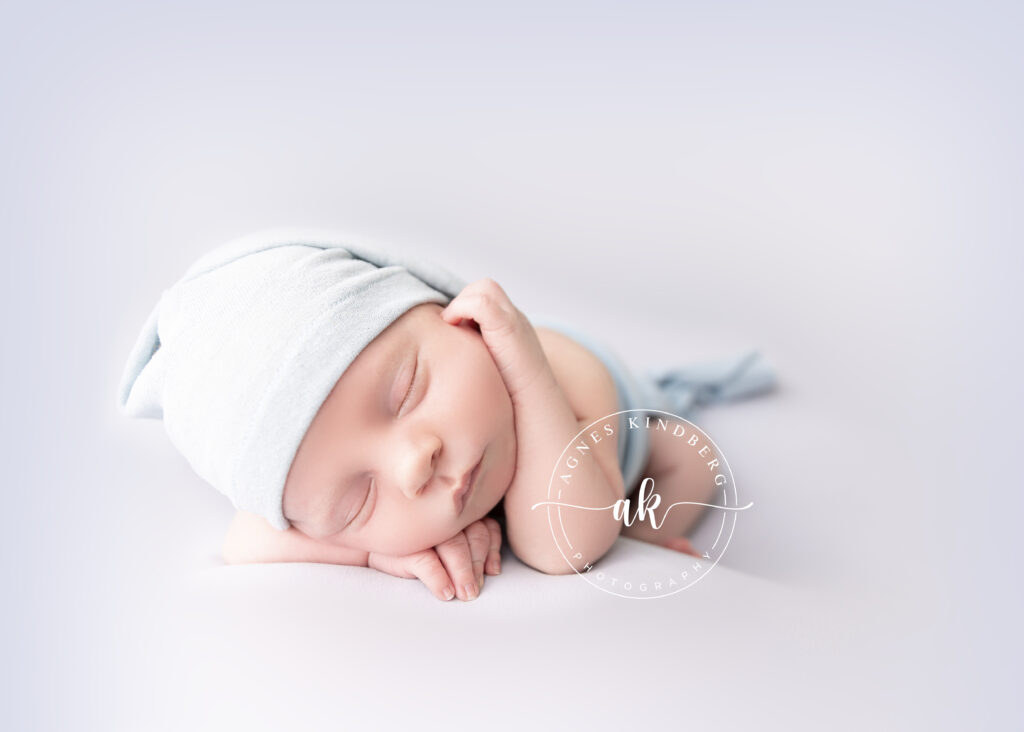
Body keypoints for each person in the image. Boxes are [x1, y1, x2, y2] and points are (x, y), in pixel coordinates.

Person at [118, 229, 777, 603]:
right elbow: (243, 542)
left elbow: (563, 546)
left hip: (625, 436)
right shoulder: (344, 491)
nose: (413, 467)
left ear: (455, 313)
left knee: (690, 459)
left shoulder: (552, 371)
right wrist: (374, 554)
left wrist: (522, 363)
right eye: (356, 500)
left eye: (404, 389)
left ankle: (656, 532)